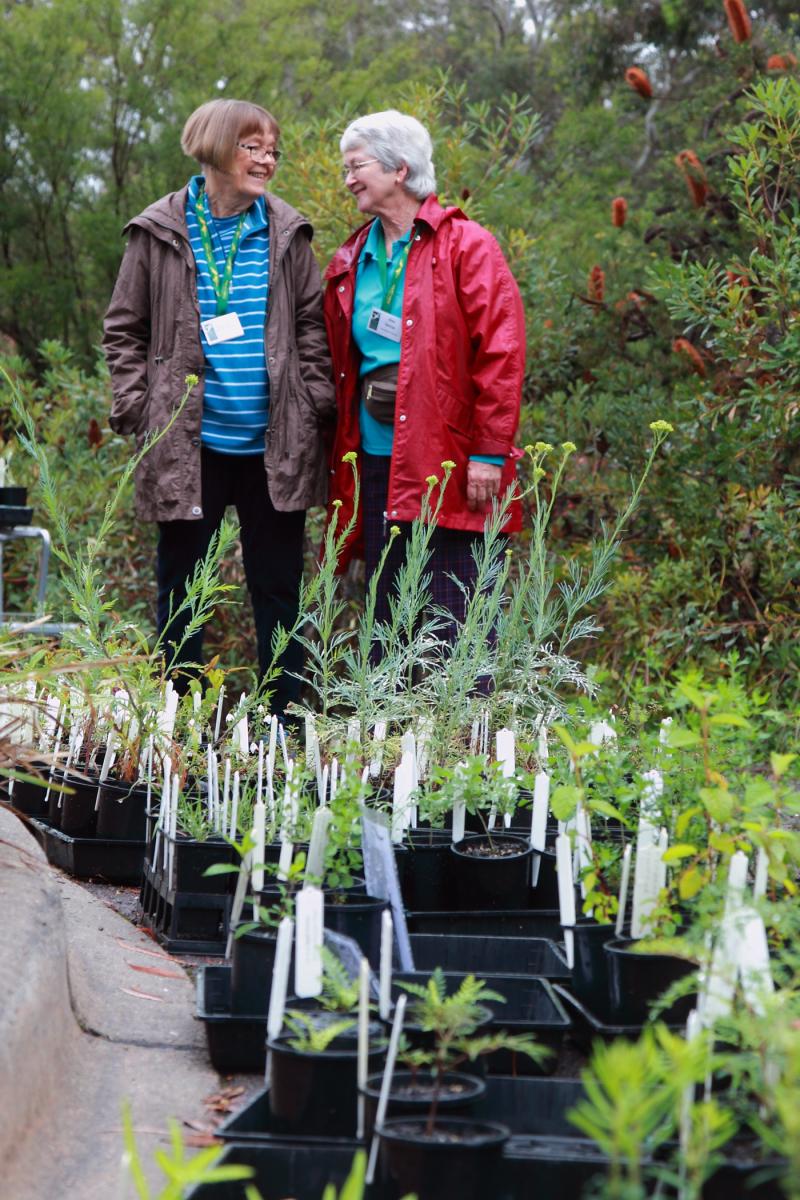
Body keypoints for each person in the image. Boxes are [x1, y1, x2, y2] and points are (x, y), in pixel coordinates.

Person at [103, 99, 334, 713]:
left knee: (278, 593)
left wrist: (314, 400)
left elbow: (311, 326)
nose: (268, 160)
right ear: (213, 146)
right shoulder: (158, 230)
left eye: (273, 150)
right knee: (181, 596)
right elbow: (123, 329)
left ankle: (285, 730)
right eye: (252, 146)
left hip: (272, 444)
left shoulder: (287, 233)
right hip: (188, 445)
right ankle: (177, 728)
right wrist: (136, 405)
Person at [324, 109, 525, 641]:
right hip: (372, 460)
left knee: (456, 624)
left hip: (450, 460)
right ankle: (395, 727)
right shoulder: (351, 257)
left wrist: (488, 453)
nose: (347, 179)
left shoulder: (468, 245)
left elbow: (501, 355)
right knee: (389, 621)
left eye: (356, 165)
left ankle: (462, 728)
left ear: (399, 169)